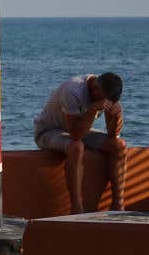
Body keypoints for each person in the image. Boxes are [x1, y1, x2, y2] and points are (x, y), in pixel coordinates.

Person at [33, 72, 127, 214]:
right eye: (104, 102)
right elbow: (77, 135)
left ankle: (118, 206)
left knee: (119, 146)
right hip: (48, 131)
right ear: (95, 89)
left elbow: (112, 134)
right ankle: (77, 208)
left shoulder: (105, 94)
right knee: (76, 147)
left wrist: (117, 115)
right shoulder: (72, 91)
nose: (105, 106)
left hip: (77, 128)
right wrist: (93, 109)